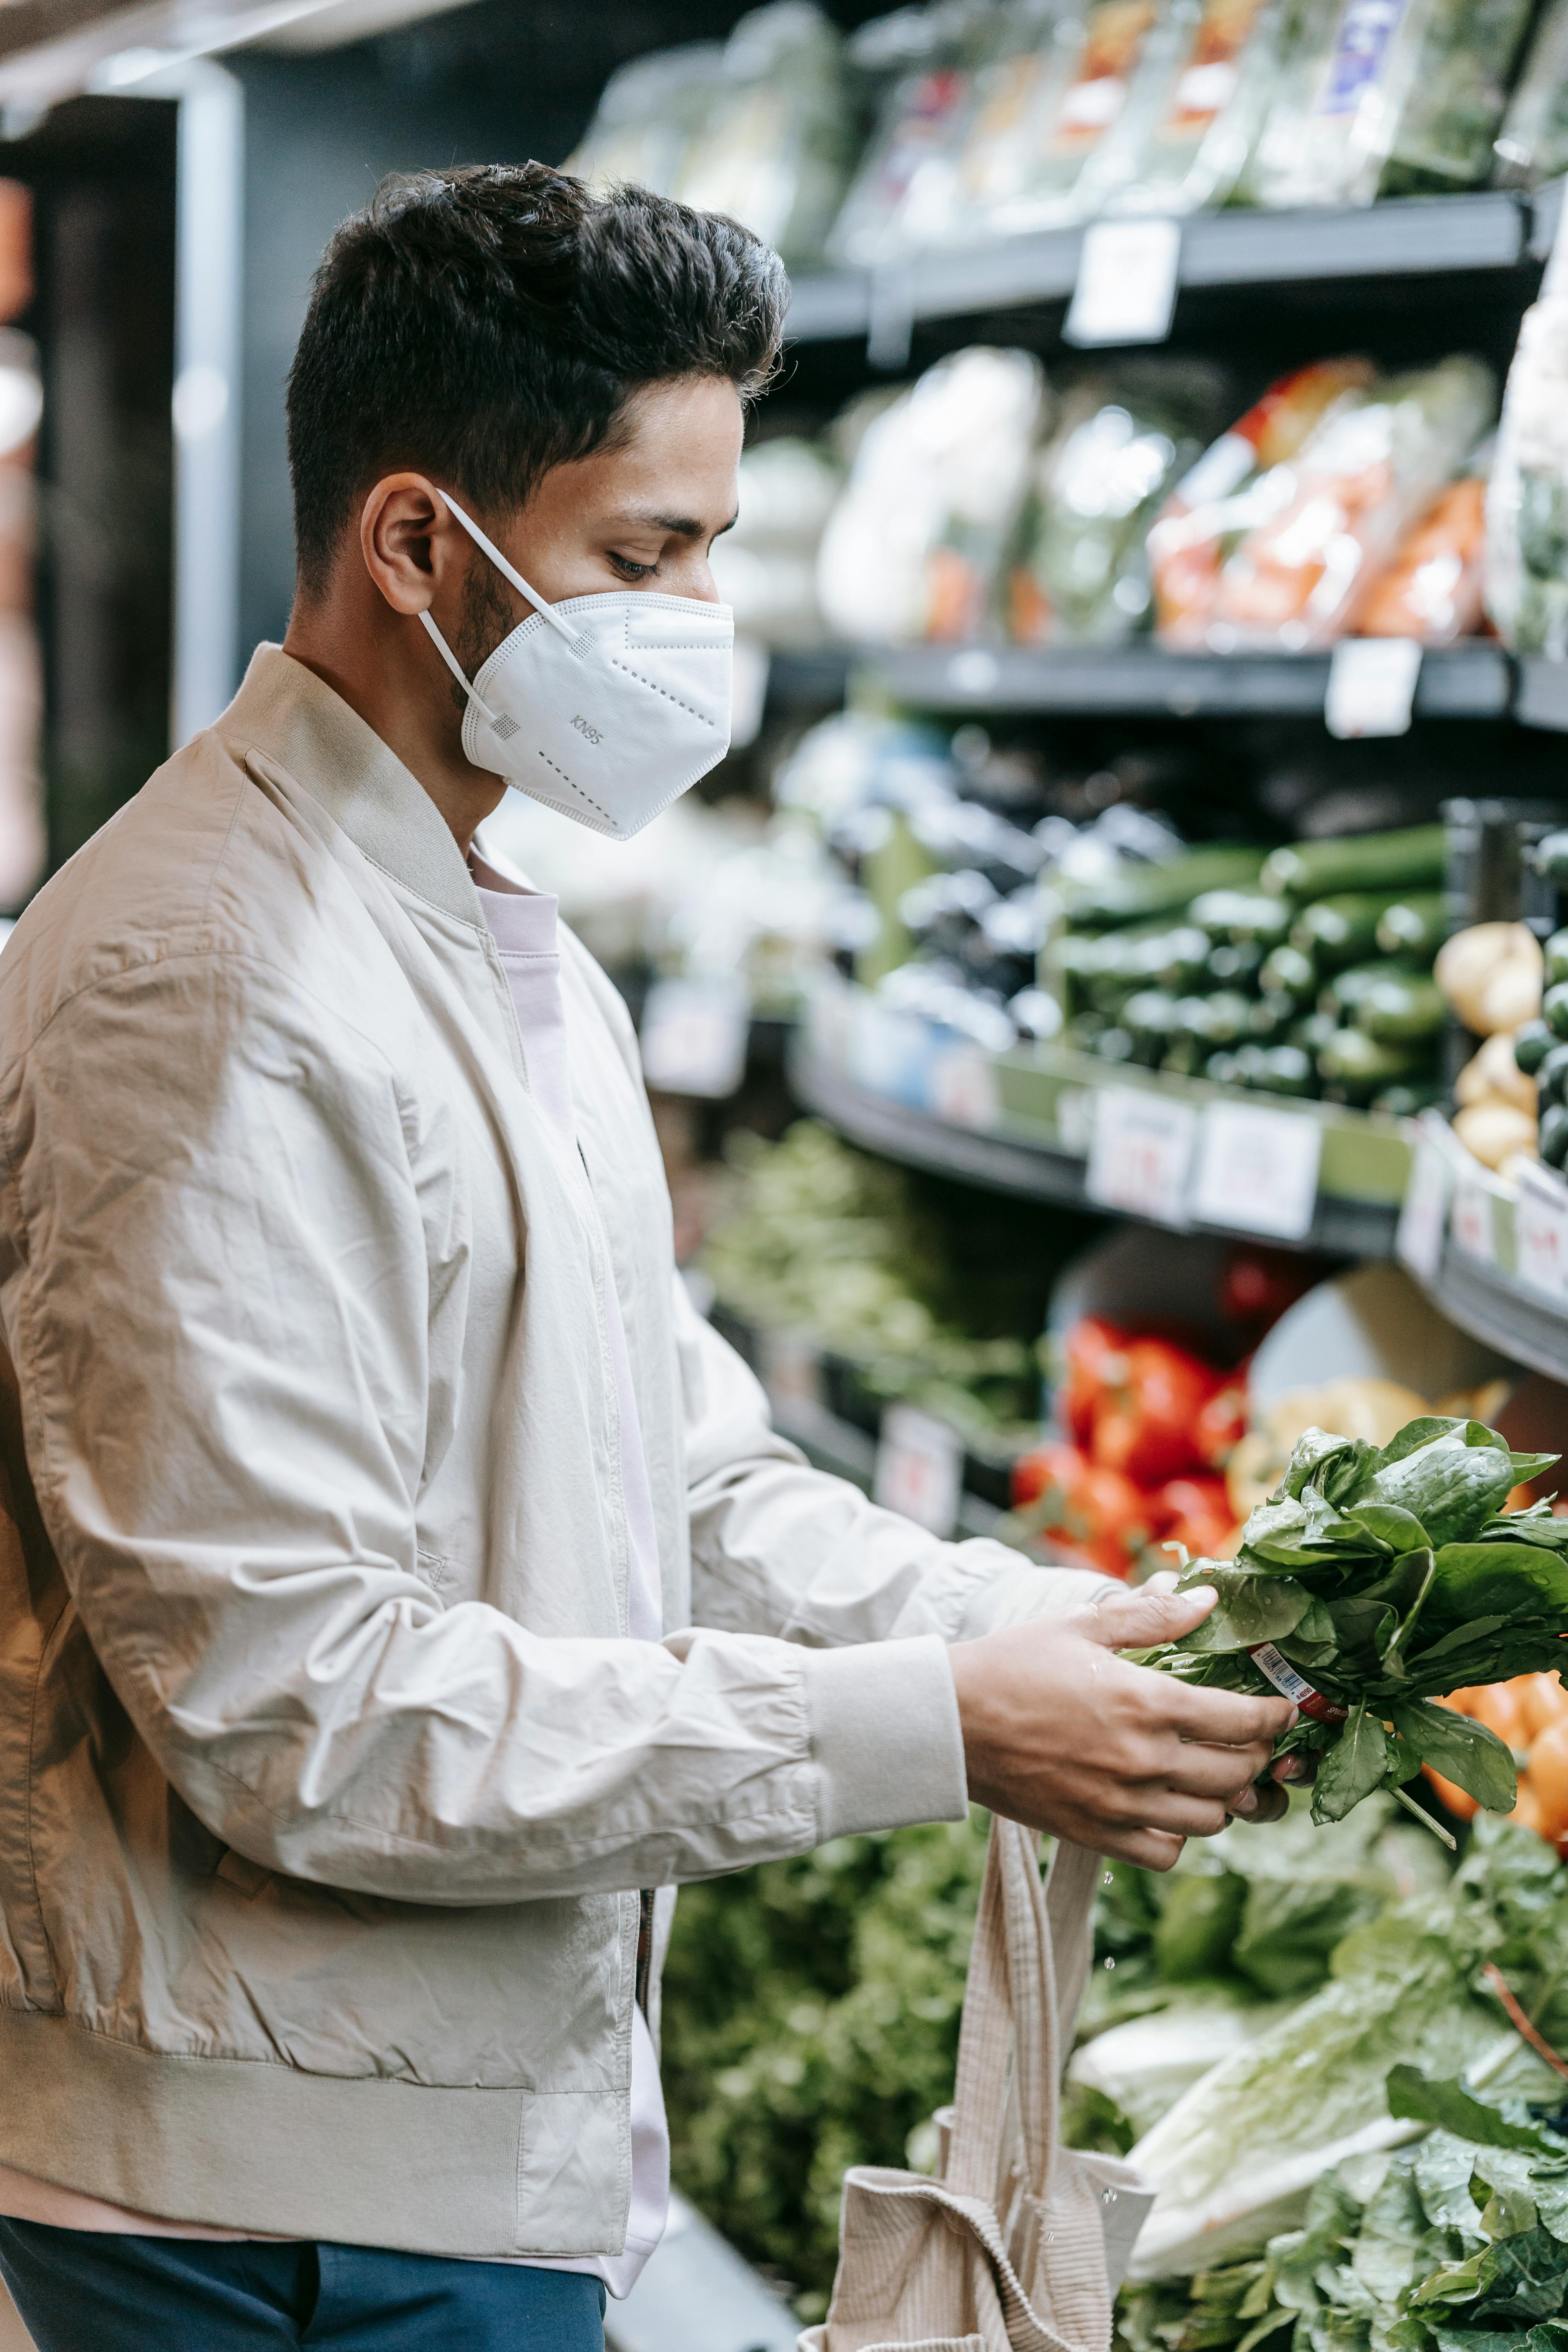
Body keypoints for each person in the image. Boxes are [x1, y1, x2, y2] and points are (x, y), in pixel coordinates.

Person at [0, 163, 1297, 2352]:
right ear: (415, 542)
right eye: (643, 556)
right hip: (267, 2212)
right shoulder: (206, 986)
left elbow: (668, 1478)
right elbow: (298, 1704)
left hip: (465, 2134)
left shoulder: (500, 934)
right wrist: (933, 1725)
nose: (697, 621)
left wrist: (1033, 1618)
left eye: (714, 549)